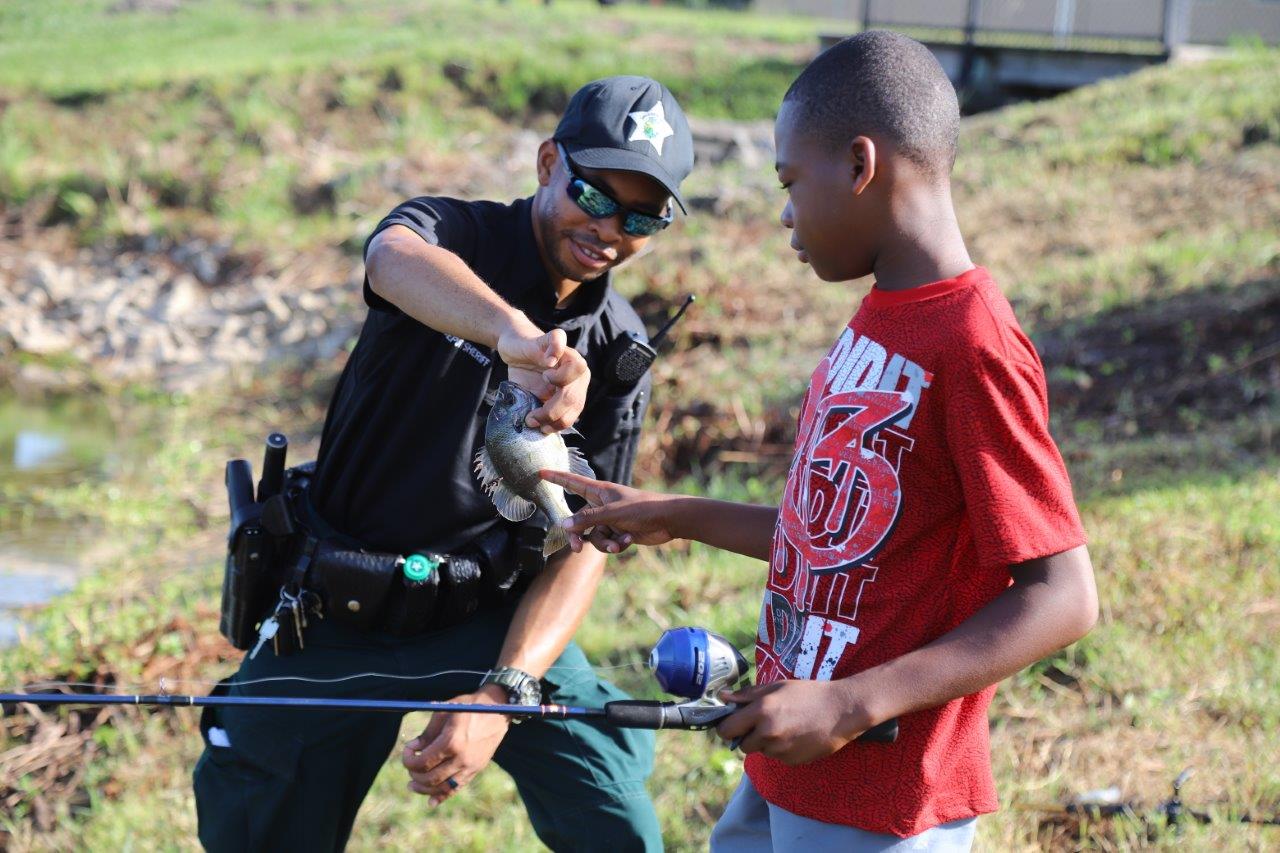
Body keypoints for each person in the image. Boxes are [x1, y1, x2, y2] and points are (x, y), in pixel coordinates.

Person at [543, 32, 1098, 851]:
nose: (785, 210)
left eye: (791, 181)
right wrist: (678, 514)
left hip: (880, 798)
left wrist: (848, 703)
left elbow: (1061, 596)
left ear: (861, 166)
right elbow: (842, 538)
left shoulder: (971, 340)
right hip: (791, 768)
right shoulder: (881, 314)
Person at [193, 75, 695, 851]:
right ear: (546, 164)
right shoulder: (451, 236)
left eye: (642, 217)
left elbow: (582, 542)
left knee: (613, 803)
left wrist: (506, 690)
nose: (611, 231)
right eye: (594, 197)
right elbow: (390, 257)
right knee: (257, 809)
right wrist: (514, 337)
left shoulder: (619, 352)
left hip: (486, 615)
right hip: (335, 606)